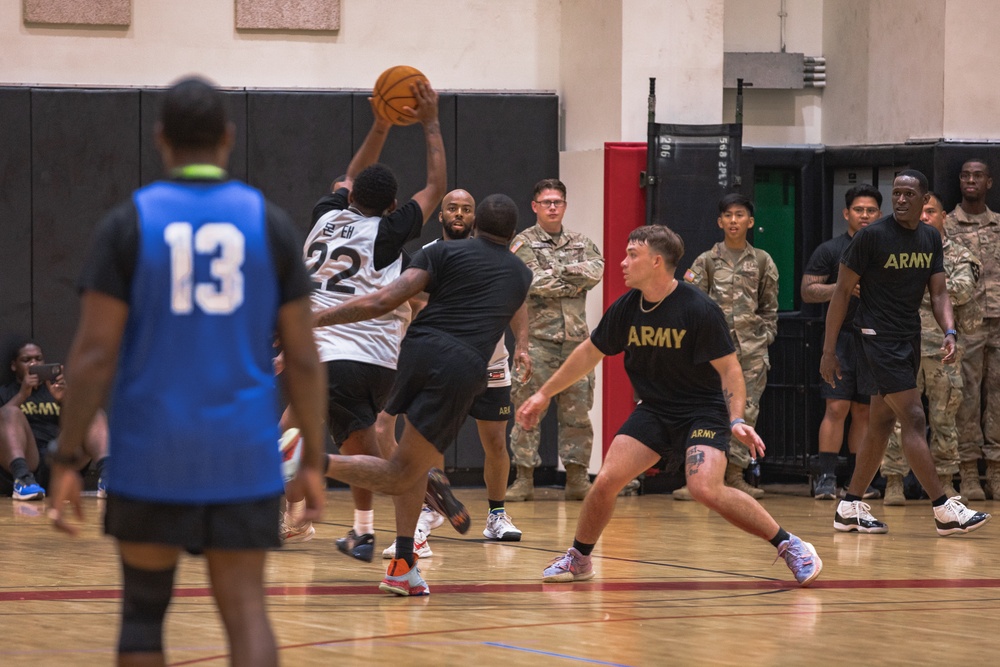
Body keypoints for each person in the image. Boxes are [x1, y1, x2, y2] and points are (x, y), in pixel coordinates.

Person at [46, 76, 327, 666]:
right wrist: (313, 462)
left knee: (143, 615)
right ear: (227, 137)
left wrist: (68, 456)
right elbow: (303, 357)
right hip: (242, 454)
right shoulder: (269, 223)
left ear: (160, 139)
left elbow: (93, 356)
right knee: (247, 611)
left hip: (151, 452)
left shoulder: (128, 223)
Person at [516, 224, 821, 587]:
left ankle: (791, 545)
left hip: (702, 410)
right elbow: (589, 353)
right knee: (606, 481)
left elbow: (730, 370)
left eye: (632, 254)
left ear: (656, 262)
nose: (622, 262)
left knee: (704, 488)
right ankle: (579, 559)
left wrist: (736, 418)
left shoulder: (698, 309)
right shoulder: (628, 307)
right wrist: (543, 394)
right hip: (656, 409)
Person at [315, 194, 532, 596]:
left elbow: (383, 300)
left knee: (396, 444)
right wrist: (524, 342)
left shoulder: (442, 253)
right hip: (461, 366)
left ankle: (402, 563)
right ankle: (307, 460)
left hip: (416, 348)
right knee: (401, 472)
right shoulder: (520, 274)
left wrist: (317, 317)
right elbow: (512, 308)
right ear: (513, 234)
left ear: (476, 225)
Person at [278, 78, 446, 561]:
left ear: (349, 196)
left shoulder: (326, 216)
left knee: (300, 446)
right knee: (360, 449)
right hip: (378, 361)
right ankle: (367, 530)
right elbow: (435, 185)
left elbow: (348, 178)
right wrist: (430, 122)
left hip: (327, 353)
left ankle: (394, 508)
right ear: (394, 206)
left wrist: (379, 123)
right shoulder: (391, 230)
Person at [821, 169, 990, 536]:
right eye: (895, 193)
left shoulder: (929, 238)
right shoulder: (870, 238)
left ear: (924, 200)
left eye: (907, 195)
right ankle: (944, 508)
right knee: (913, 417)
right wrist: (828, 351)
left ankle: (849, 506)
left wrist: (949, 331)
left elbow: (940, 293)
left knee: (882, 422)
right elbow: (840, 294)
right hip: (875, 338)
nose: (899, 200)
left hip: (907, 338)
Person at [380, 189, 531, 559]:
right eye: (453, 208)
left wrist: (523, 343)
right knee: (424, 442)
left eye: (466, 208)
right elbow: (412, 298)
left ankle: (496, 514)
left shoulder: (510, 265)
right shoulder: (434, 252)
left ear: (475, 219)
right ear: (443, 215)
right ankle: (428, 512)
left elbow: (517, 303)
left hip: (490, 359)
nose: (459, 214)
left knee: (495, 441)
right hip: (444, 356)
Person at [507, 178, 604, 502]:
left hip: (577, 343)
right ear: (535, 207)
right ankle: (523, 478)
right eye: (546, 202)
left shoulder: (582, 241)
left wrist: (554, 276)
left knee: (577, 413)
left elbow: (597, 269)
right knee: (526, 411)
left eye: (557, 202)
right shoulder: (522, 244)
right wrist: (572, 278)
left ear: (565, 205)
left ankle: (577, 477)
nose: (552, 207)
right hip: (537, 341)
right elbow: (529, 280)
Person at [675, 193, 778, 500]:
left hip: (751, 353)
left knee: (745, 412)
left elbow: (770, 306)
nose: (734, 221)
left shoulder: (761, 260)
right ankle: (697, 477)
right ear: (720, 222)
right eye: (728, 216)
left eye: (740, 215)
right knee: (704, 410)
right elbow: (690, 304)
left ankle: (734, 475)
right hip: (712, 352)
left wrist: (765, 336)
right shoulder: (706, 261)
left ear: (751, 222)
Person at [881, 192, 981, 504]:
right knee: (897, 419)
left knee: (944, 419)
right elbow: (882, 288)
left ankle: (946, 482)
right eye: (920, 212)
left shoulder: (961, 256)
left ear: (943, 217)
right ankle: (894, 481)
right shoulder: (892, 250)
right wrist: (932, 289)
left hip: (943, 350)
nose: (924, 217)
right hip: (903, 348)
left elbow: (961, 292)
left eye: (930, 211)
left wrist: (914, 287)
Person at [800, 184, 882, 500]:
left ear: (879, 214)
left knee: (864, 413)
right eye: (858, 210)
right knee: (837, 406)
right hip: (841, 339)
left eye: (871, 210)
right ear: (846, 213)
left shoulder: (884, 249)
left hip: (873, 341)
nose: (864, 215)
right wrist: (842, 289)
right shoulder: (830, 250)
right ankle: (825, 477)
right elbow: (808, 290)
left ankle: (858, 482)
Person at [945, 159, 1000, 500]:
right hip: (967, 324)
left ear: (989, 183)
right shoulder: (948, 225)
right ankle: (967, 473)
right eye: (965, 175)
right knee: (965, 399)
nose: (970, 180)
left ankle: (995, 471)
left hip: (999, 322)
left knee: (997, 400)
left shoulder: (998, 225)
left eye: (977, 175)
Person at [0, 340, 108, 500]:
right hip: (29, 460)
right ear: (14, 365)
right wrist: (22, 395)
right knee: (9, 412)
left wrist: (64, 399)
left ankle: (108, 476)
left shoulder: (56, 389)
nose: (33, 363)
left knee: (90, 413)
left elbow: (77, 424)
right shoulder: (5, 393)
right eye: (27, 360)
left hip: (60, 457)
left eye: (38, 359)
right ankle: (22, 481)